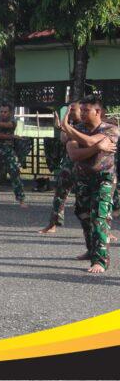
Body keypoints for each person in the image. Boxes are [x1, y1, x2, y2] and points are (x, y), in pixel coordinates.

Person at [60, 95, 118, 273]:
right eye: (81, 110)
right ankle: (91, 250)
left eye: (86, 110)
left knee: (99, 217)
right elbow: (74, 155)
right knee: (84, 215)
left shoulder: (111, 129)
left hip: (104, 179)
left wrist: (68, 128)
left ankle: (100, 261)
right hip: (83, 180)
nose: (82, 114)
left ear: (98, 111)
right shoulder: (78, 128)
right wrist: (97, 148)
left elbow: (91, 141)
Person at [39, 103, 80, 234]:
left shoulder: (92, 125)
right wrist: (65, 121)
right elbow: (64, 139)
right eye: (69, 109)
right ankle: (53, 224)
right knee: (60, 194)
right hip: (69, 164)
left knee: (97, 198)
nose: (70, 111)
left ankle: (105, 231)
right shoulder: (70, 123)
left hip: (87, 165)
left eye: (73, 109)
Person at [0, 104, 27, 207]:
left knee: (14, 173)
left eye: (5, 112)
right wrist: (11, 136)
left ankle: (21, 200)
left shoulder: (12, 121)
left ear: (10, 113)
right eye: (1, 111)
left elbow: (7, 126)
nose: (3, 113)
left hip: (7, 151)